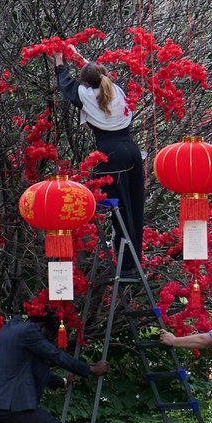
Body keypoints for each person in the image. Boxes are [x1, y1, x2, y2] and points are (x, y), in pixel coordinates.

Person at [57, 61, 145, 272]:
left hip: (111, 154)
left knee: (120, 210)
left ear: (86, 82)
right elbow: (96, 77)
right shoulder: (116, 90)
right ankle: (133, 262)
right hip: (132, 151)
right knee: (134, 207)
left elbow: (66, 84)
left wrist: (59, 62)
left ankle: (126, 265)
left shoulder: (86, 94)